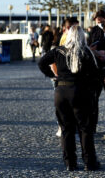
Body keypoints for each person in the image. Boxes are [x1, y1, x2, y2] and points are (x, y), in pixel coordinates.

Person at [38, 26, 101, 171]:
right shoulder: (85, 52)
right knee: (85, 128)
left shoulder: (59, 51)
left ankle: (70, 163)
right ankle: (89, 162)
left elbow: (41, 62)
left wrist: (53, 75)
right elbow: (95, 76)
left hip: (61, 92)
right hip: (80, 91)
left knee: (66, 129)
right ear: (82, 37)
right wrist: (92, 93)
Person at [87, 10, 105, 133]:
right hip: (95, 68)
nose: (98, 19)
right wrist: (96, 53)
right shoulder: (93, 30)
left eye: (101, 17)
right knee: (93, 99)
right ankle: (92, 126)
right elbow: (89, 46)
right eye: (97, 17)